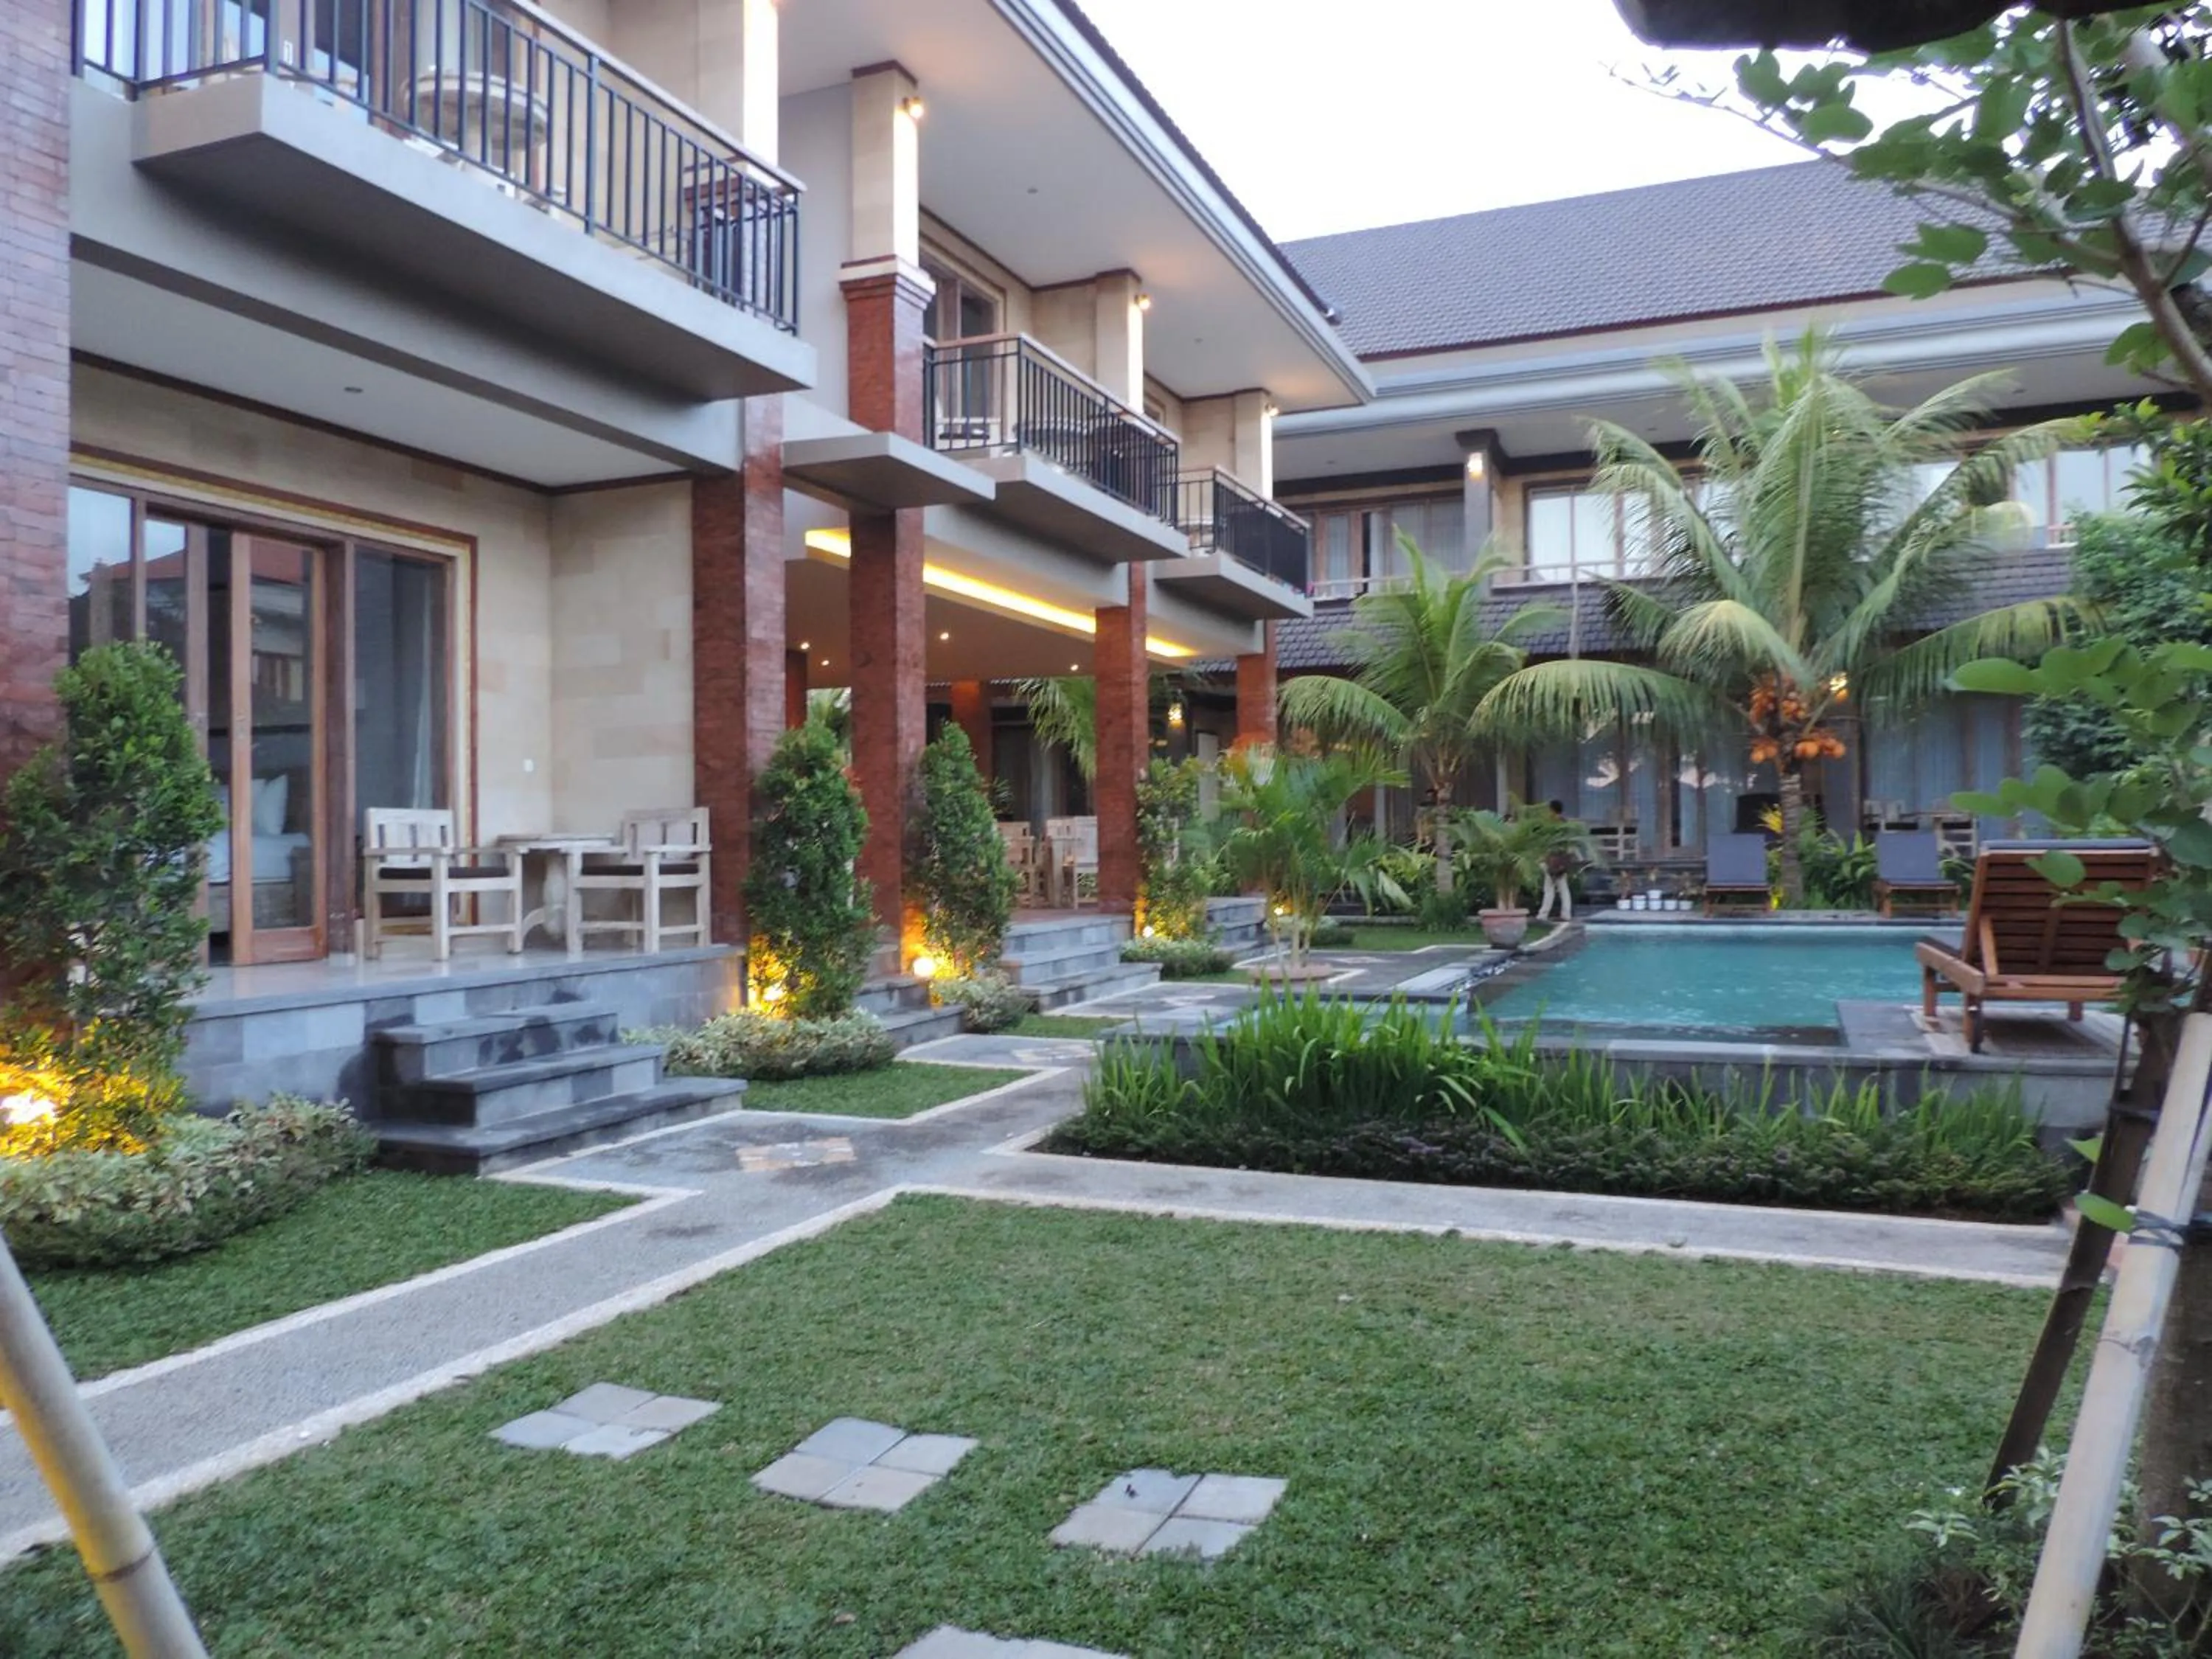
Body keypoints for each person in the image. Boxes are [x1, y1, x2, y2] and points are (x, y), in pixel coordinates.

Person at [1536, 799, 1576, 922]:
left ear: (1552, 810)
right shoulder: (1565, 824)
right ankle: (1566, 913)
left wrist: (1544, 857)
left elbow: (1549, 843)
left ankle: (1543, 914)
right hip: (1561, 860)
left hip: (1553, 860)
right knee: (1562, 888)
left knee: (1549, 888)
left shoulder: (1553, 825)